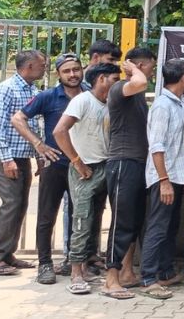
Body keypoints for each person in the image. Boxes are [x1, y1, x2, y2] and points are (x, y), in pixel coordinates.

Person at [11, 53, 85, 284]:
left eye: (76, 69)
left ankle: (73, 263)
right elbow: (17, 119)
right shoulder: (48, 96)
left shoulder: (91, 94)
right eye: (67, 71)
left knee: (79, 217)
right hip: (54, 165)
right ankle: (44, 264)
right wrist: (38, 144)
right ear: (58, 74)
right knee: (46, 217)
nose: (72, 74)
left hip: (81, 167)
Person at [53, 63, 120, 295]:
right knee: (81, 220)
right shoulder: (82, 101)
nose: (117, 83)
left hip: (106, 165)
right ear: (102, 79)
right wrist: (76, 161)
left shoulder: (111, 102)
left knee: (95, 220)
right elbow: (59, 131)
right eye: (114, 78)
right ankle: (76, 273)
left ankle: (89, 264)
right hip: (85, 169)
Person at [0, 50, 46, 276]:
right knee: (11, 204)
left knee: (19, 204)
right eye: (41, 65)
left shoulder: (32, 90)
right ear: (29, 66)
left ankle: (7, 254)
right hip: (4, 157)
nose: (44, 67)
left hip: (22, 156)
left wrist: (39, 155)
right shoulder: (6, 89)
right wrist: (6, 159)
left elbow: (36, 126)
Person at [104, 48, 156, 298]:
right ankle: (110, 278)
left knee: (134, 221)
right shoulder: (120, 89)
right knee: (121, 222)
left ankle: (126, 273)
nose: (151, 73)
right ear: (138, 66)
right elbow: (141, 81)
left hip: (138, 163)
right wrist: (133, 68)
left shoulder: (137, 96)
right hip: (122, 162)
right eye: (149, 67)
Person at [140, 59, 184, 300]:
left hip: (176, 176)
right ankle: (149, 277)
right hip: (165, 177)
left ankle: (165, 271)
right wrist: (163, 180)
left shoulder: (179, 104)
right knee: (158, 227)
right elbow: (157, 146)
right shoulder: (162, 105)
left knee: (170, 228)